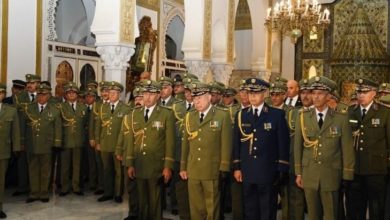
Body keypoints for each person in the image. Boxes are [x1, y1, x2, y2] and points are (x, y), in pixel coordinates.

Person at [294, 76, 355, 220]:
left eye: (320, 93)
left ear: (328, 96)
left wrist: (347, 175)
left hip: (331, 174)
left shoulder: (340, 118)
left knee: (331, 214)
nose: (315, 97)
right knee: (312, 214)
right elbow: (298, 147)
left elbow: (347, 149)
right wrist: (298, 172)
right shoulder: (303, 117)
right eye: (313, 93)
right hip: (309, 174)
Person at [233, 77, 290, 220]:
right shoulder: (241, 115)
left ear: (264, 93)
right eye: (249, 93)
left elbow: (282, 143)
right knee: (250, 210)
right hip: (248, 170)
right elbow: (237, 143)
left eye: (256, 93)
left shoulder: (276, 115)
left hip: (268, 171)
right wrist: (237, 167)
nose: (252, 96)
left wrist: (281, 169)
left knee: (267, 210)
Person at [121, 80, 175, 220]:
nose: (147, 97)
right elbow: (131, 141)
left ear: (158, 96)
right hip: (139, 164)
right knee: (141, 200)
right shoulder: (134, 114)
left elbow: (169, 143)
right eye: (145, 93)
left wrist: (167, 167)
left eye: (151, 94)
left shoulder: (166, 114)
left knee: (155, 201)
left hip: (156, 165)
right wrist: (130, 164)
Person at [180, 81, 232, 220]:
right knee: (196, 208)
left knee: (212, 209)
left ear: (209, 97)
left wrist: (224, 168)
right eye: (194, 98)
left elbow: (226, 145)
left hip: (212, 170)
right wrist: (183, 167)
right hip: (193, 169)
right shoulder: (190, 116)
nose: (196, 102)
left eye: (200, 98)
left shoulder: (222, 116)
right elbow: (186, 144)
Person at [346, 77, 390, 220]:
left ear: (374, 93)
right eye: (358, 92)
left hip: (376, 171)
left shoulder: (385, 112)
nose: (361, 95)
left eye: (365, 92)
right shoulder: (350, 112)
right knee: (354, 209)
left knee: (377, 210)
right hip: (355, 170)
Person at [22, 83, 62, 203]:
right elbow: (24, 127)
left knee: (46, 169)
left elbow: (58, 128)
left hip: (47, 144)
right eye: (39, 94)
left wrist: (57, 143)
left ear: (49, 96)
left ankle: (44, 193)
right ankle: (34, 193)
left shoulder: (54, 110)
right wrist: (22, 142)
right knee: (33, 169)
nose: (41, 97)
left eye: (44, 95)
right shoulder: (29, 108)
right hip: (32, 144)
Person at [58, 82, 88, 196]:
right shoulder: (61, 107)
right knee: (64, 166)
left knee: (77, 166)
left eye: (73, 93)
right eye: (69, 93)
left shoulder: (83, 107)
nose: (71, 95)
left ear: (77, 94)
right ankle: (65, 187)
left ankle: (76, 187)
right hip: (65, 141)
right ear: (65, 95)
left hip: (78, 140)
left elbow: (84, 123)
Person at [0, 83, 21, 218]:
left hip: (3, 150)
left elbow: (15, 132)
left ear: (3, 94)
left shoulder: (11, 110)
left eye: (1, 93)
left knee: (1, 180)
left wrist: (16, 148)